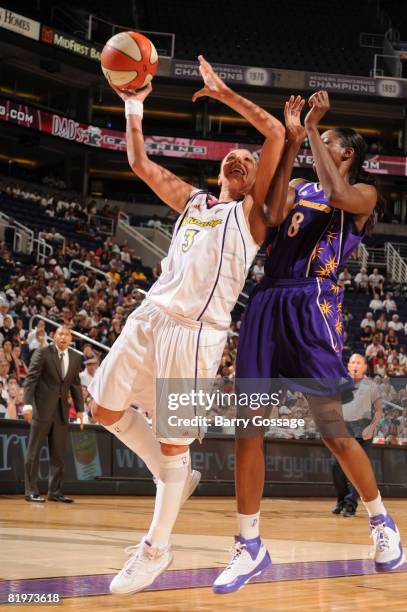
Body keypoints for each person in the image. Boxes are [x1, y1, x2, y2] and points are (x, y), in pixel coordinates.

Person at [89, 55, 285, 596]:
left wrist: (222, 93)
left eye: (249, 160)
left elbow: (271, 131)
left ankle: (156, 548)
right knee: (102, 408)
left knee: (175, 445)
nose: (243, 159)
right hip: (151, 316)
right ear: (220, 170)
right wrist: (133, 105)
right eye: (235, 157)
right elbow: (139, 163)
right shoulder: (193, 201)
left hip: (197, 335)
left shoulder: (252, 219)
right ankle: (173, 475)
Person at [214, 91, 403, 594]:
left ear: (346, 155)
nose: (324, 141)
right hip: (267, 300)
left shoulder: (363, 193)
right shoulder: (301, 181)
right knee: (247, 425)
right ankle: (249, 544)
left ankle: (382, 522)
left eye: (332, 140)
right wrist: (292, 141)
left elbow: (336, 195)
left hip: (313, 304)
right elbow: (274, 214)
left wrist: (314, 130)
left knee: (333, 431)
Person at [23, 326, 84, 503]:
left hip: (61, 412)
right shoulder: (43, 353)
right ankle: (31, 491)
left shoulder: (75, 357)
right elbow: (31, 379)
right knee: (33, 452)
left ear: (71, 338)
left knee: (58, 454)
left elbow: (75, 385)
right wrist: (27, 405)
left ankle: (55, 491)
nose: (63, 337)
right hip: (41, 409)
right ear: (54, 337)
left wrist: (80, 409)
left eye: (66, 335)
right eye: (60, 334)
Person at [331, 354, 382, 517]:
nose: (355, 365)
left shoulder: (371, 386)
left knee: (358, 469)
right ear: (347, 365)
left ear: (365, 367)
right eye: (352, 362)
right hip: (343, 430)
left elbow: (379, 410)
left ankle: (350, 504)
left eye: (359, 363)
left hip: (363, 431)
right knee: (335, 466)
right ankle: (341, 500)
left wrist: (372, 427)